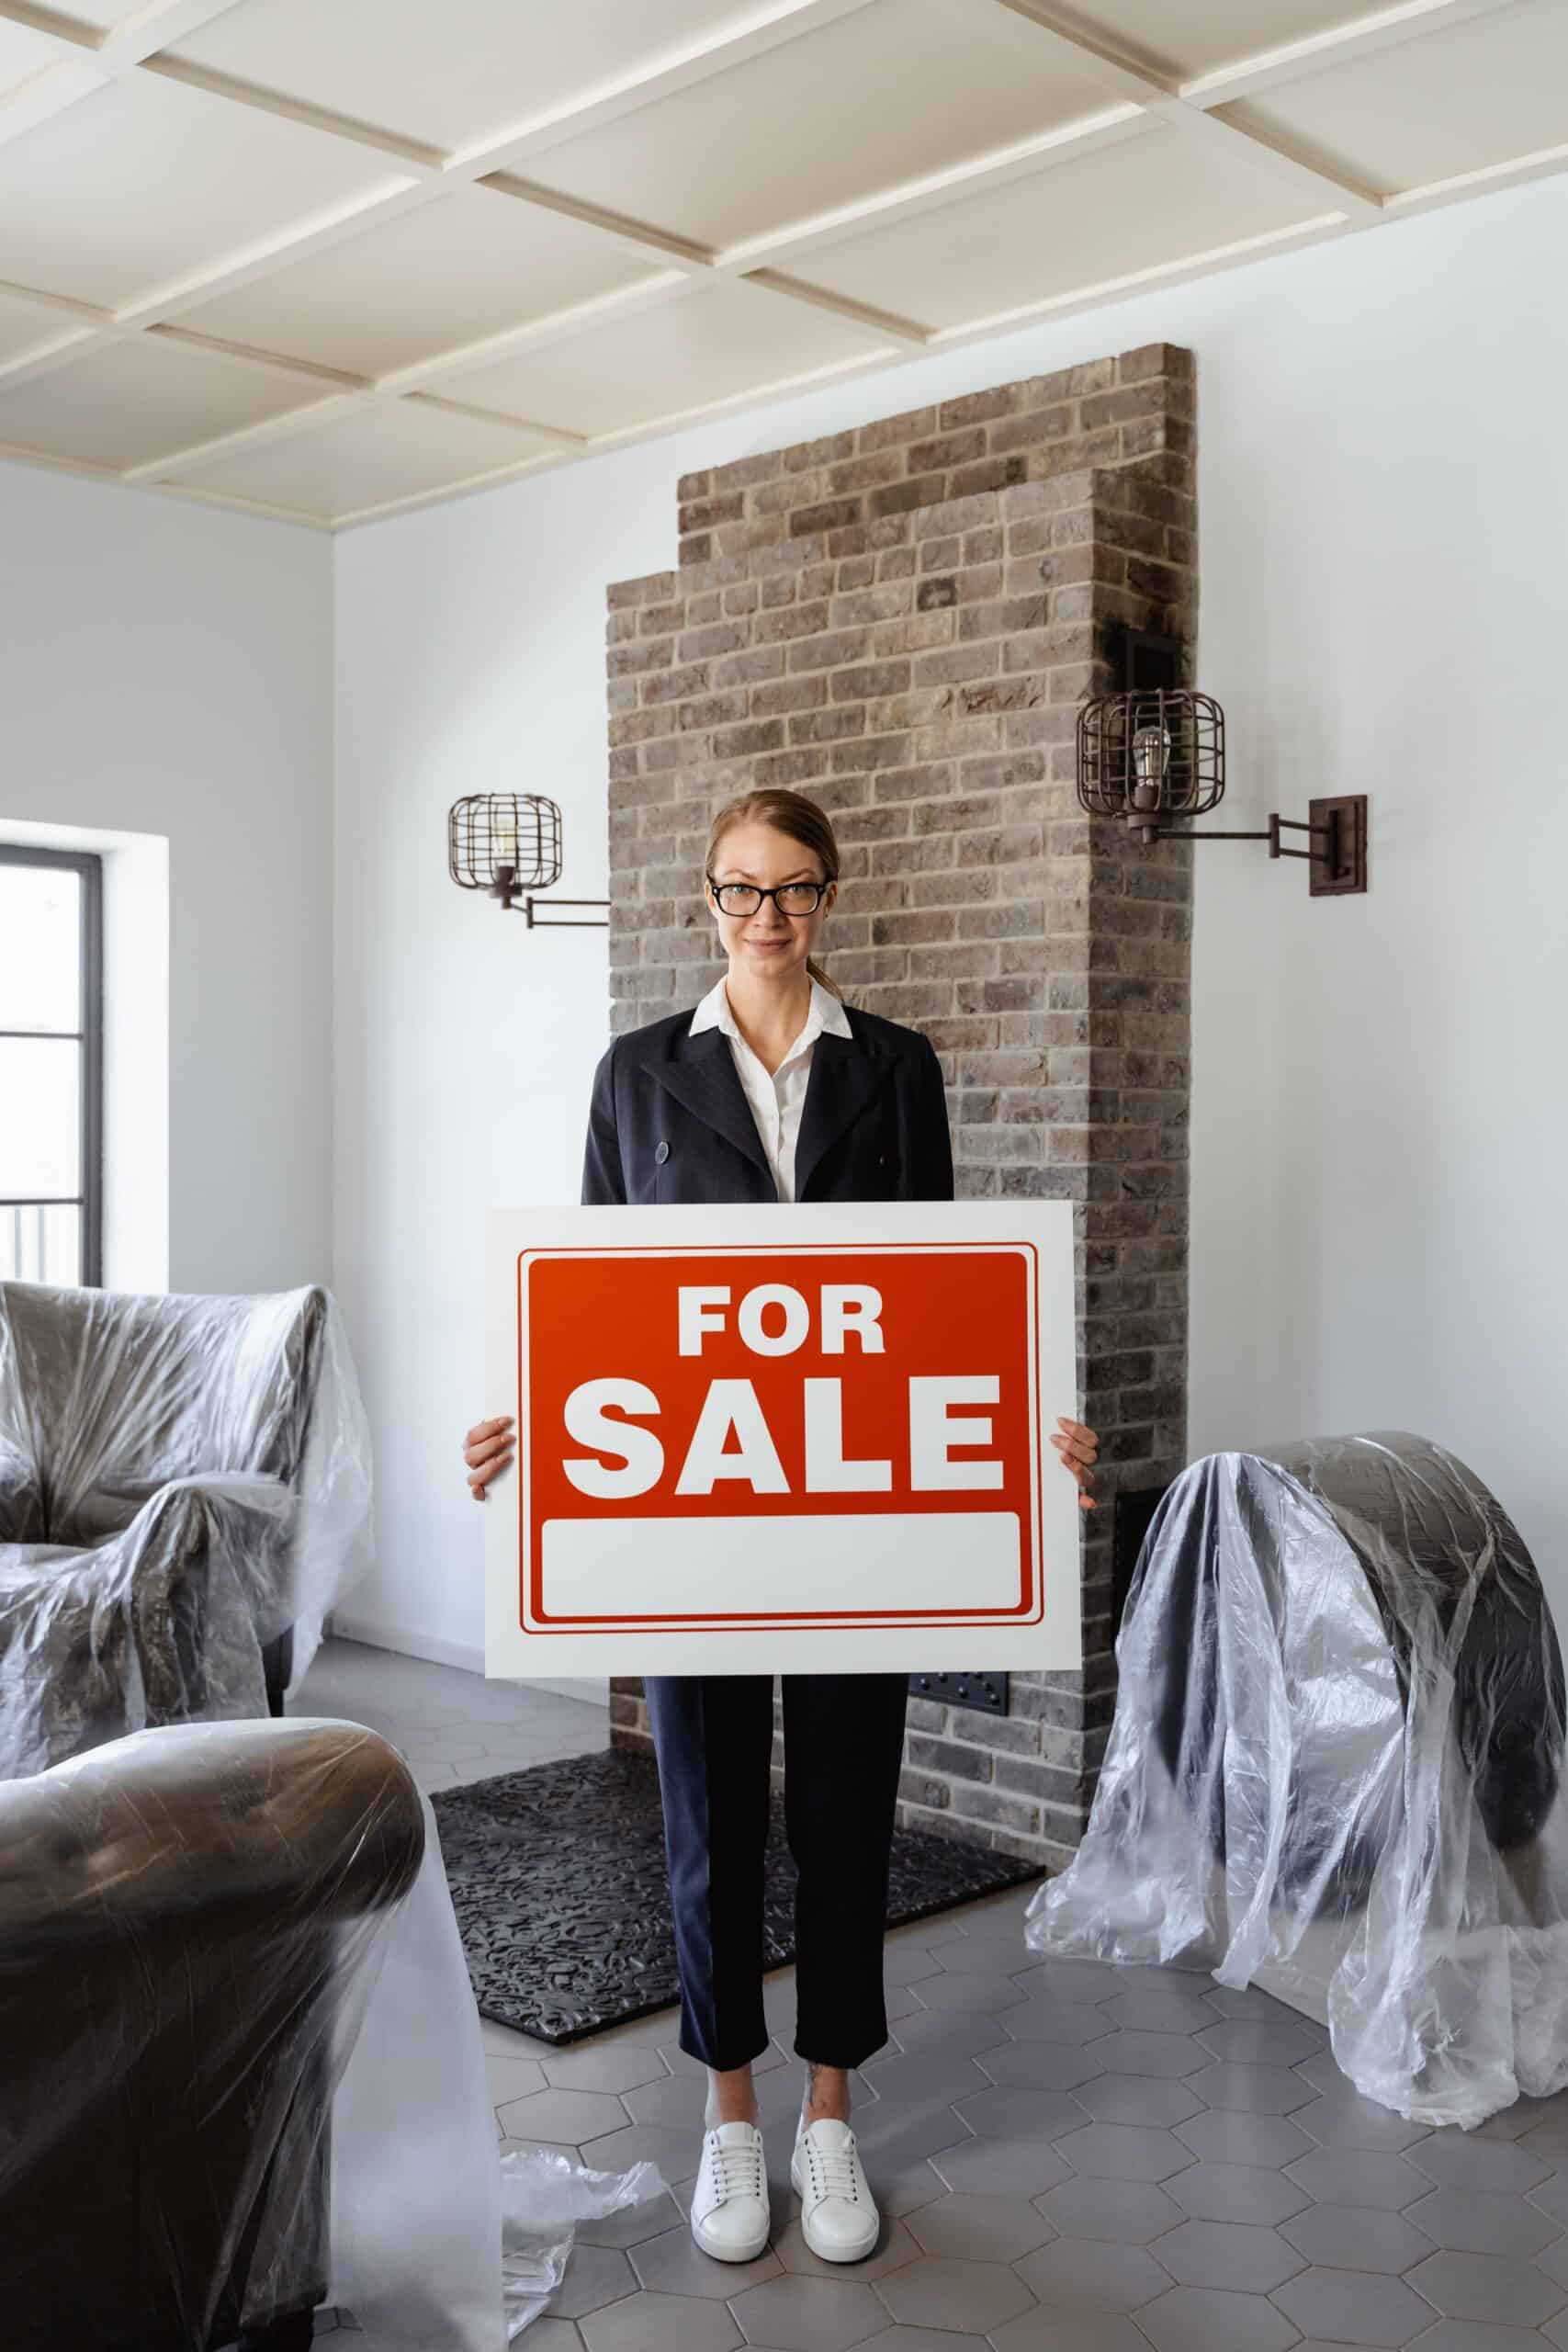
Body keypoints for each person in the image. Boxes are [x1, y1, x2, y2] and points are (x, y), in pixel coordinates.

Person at [464, 786, 1099, 2267]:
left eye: (795, 890)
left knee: (841, 1811)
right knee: (705, 1820)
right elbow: (600, 1310)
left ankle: (829, 2116)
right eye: (739, 890)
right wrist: (530, 1431)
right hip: (694, 1523)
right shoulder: (635, 1077)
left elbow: (938, 1306)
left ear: (830, 899)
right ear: (706, 899)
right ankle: (730, 2121)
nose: (766, 917)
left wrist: (1022, 1433)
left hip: (852, 1524)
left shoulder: (898, 1070)